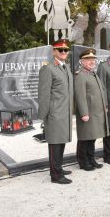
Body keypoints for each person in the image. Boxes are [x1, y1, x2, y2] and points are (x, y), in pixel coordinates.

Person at [38, 39, 73, 184]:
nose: (64, 52)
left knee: (61, 141)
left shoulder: (66, 67)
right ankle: (56, 175)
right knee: (54, 144)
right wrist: (44, 116)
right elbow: (44, 94)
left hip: (65, 113)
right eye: (60, 50)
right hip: (54, 113)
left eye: (66, 50)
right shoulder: (48, 68)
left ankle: (58, 167)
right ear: (54, 51)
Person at [75, 49, 109, 170]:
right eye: (88, 59)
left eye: (93, 59)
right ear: (82, 61)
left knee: (92, 138)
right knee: (85, 138)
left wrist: (105, 105)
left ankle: (91, 159)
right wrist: (84, 113)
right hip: (88, 113)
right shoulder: (80, 75)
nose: (91, 62)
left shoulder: (92, 74)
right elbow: (80, 96)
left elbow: (101, 91)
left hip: (96, 113)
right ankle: (83, 162)